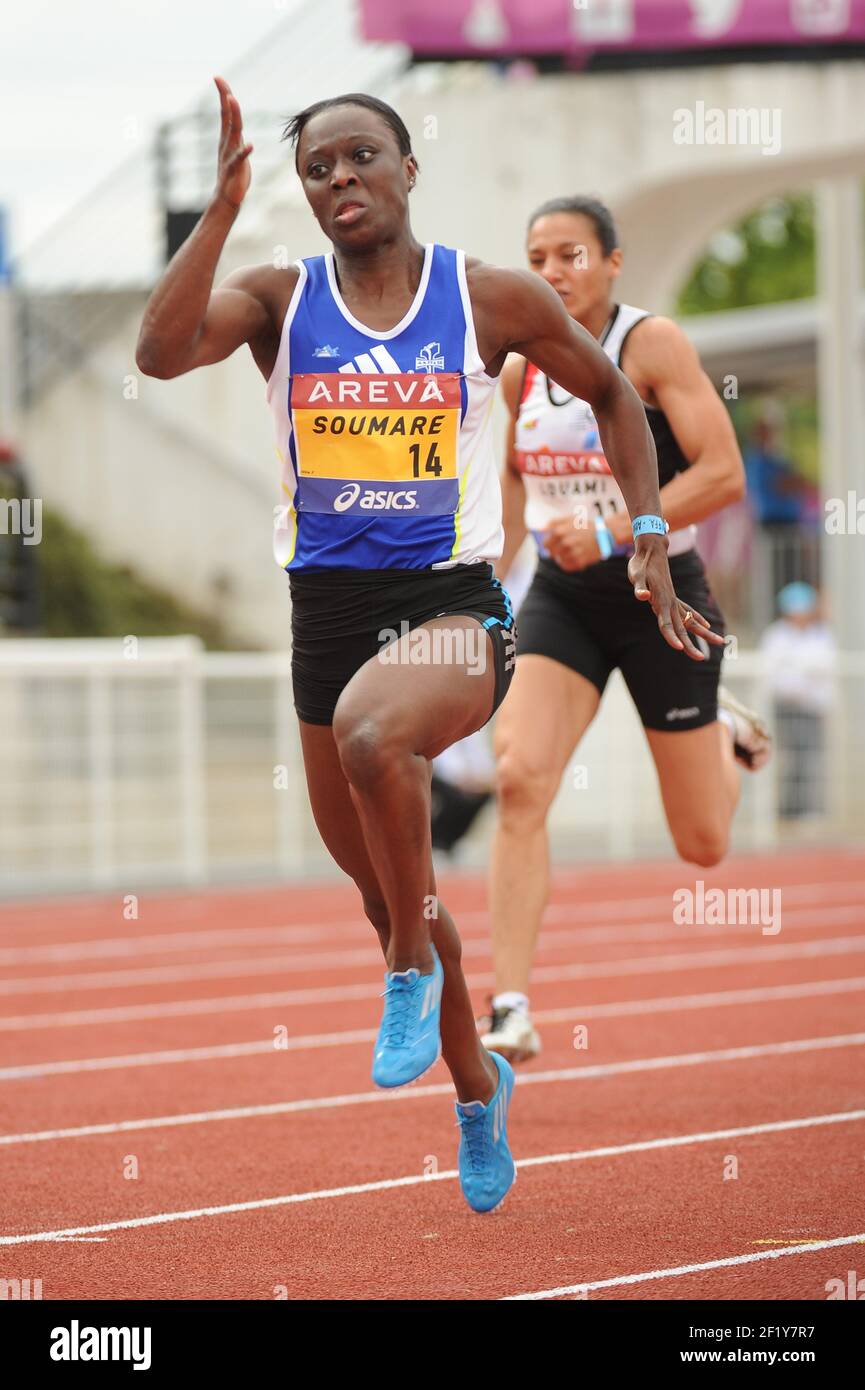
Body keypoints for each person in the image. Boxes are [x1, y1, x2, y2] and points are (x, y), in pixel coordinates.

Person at [136, 88, 714, 1211]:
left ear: (408, 167)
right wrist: (217, 211)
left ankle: (405, 968)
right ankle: (474, 1085)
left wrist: (646, 527)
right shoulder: (277, 297)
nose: (340, 179)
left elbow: (610, 394)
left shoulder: (486, 295)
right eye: (319, 169)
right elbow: (159, 355)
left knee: (375, 736)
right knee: (390, 885)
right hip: (327, 617)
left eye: (362, 157)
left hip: (454, 609)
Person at [481, 196, 771, 1064]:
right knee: (518, 778)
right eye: (537, 257)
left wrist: (613, 531)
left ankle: (723, 734)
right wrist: (482, 593)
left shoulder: (651, 345)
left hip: (660, 594)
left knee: (702, 846)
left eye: (570, 253)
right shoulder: (518, 366)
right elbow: (513, 492)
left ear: (611, 262)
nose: (552, 271)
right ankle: (509, 1005)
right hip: (563, 599)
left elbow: (721, 474)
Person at [760, 582, 836, 820]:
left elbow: (826, 669)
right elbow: (774, 674)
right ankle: (787, 811)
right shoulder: (776, 635)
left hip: (812, 709)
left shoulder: (822, 635)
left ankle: (809, 810)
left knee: (811, 758)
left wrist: (802, 674)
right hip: (786, 708)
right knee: (788, 759)